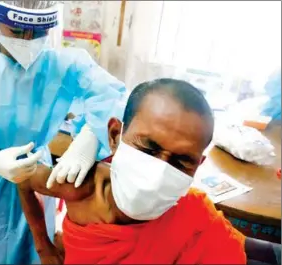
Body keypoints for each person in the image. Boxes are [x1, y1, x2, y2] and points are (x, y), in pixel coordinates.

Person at [0, 0, 127, 263]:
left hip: (37, 176)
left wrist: (90, 137)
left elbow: (116, 98)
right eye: (18, 31)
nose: (28, 39)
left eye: (38, 32)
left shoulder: (64, 64)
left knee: (33, 247)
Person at [17, 78, 252, 264]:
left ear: (197, 165)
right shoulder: (82, 188)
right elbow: (24, 180)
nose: (158, 173)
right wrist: (43, 247)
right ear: (115, 136)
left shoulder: (196, 219)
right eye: (149, 148)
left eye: (182, 161)